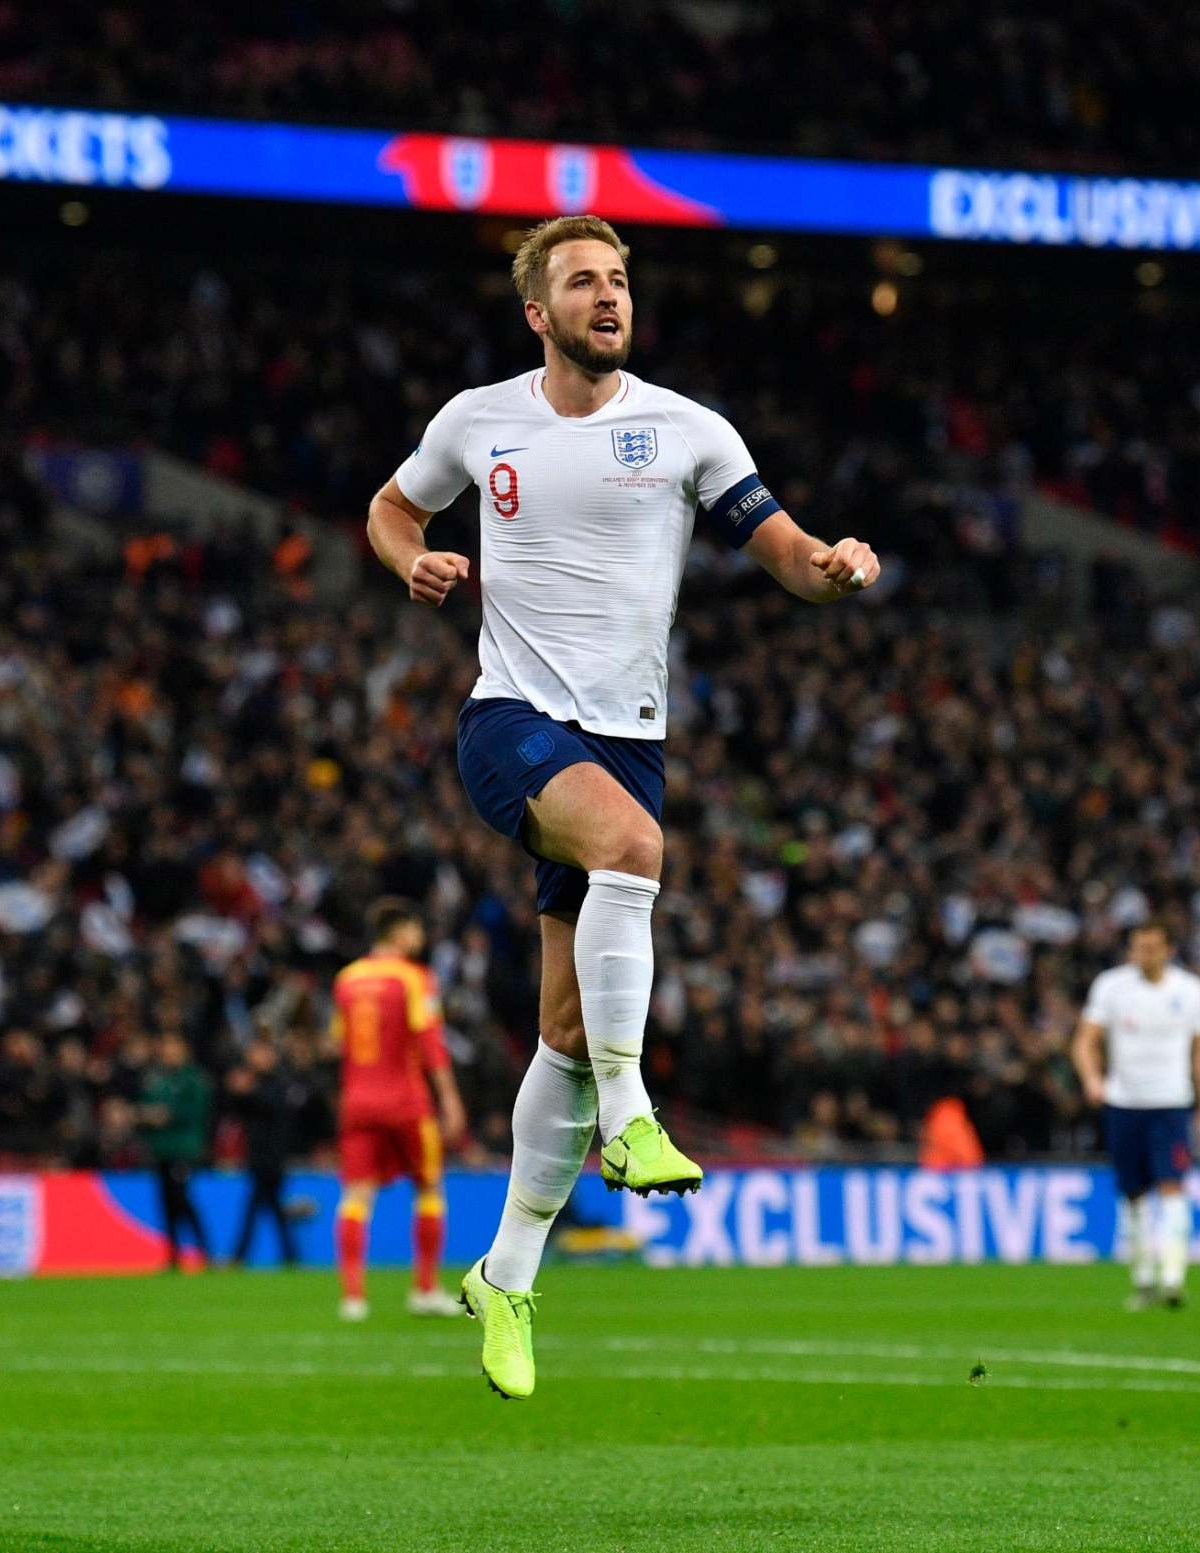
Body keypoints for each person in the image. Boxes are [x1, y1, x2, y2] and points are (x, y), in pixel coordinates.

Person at [366, 214, 879, 1397]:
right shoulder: (476, 419)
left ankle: (504, 1273)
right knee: (634, 846)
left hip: (627, 738)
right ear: (536, 313)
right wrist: (413, 560)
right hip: (509, 720)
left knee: (560, 1034)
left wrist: (837, 565)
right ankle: (633, 1112)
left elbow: (788, 553)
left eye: (619, 279)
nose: (609, 295)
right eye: (583, 282)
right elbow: (393, 508)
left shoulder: (687, 431)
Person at [328, 900, 468, 1321]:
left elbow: (339, 1042)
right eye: (416, 927)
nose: (420, 936)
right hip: (406, 1101)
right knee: (428, 1189)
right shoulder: (415, 978)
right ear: (399, 931)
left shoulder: (346, 979)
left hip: (356, 1100)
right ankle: (424, 1289)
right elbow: (430, 1043)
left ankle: (353, 1298)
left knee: (355, 1196)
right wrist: (450, 1098)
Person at [1071, 920, 1200, 1310]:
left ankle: (1172, 1276)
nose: (1143, 955)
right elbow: (1085, 1040)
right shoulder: (1111, 986)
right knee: (1132, 1195)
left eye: (1151, 947)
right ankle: (1143, 1278)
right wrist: (1091, 1079)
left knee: (1172, 1186)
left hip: (1171, 1104)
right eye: (1137, 948)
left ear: (1168, 949)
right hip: (1124, 1103)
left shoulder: (1190, 991)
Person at [225, 1037, 306, 1268]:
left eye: (259, 1053)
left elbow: (270, 1104)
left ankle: (239, 1256)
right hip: (258, 1156)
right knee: (271, 1209)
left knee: (255, 1208)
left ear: (271, 1056)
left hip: (273, 1157)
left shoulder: (279, 1082)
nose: (255, 1058)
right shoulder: (256, 1084)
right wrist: (238, 1093)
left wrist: (244, 1091)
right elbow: (237, 1110)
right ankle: (290, 1257)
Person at [140, 1034, 212, 1270]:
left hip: (183, 1149)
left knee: (182, 1200)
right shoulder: (156, 1079)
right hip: (161, 1150)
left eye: (174, 1048)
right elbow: (146, 1106)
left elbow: (197, 1110)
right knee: (166, 1203)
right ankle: (172, 1254)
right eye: (166, 1048)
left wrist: (167, 1114)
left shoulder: (192, 1079)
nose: (169, 1053)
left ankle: (204, 1249)